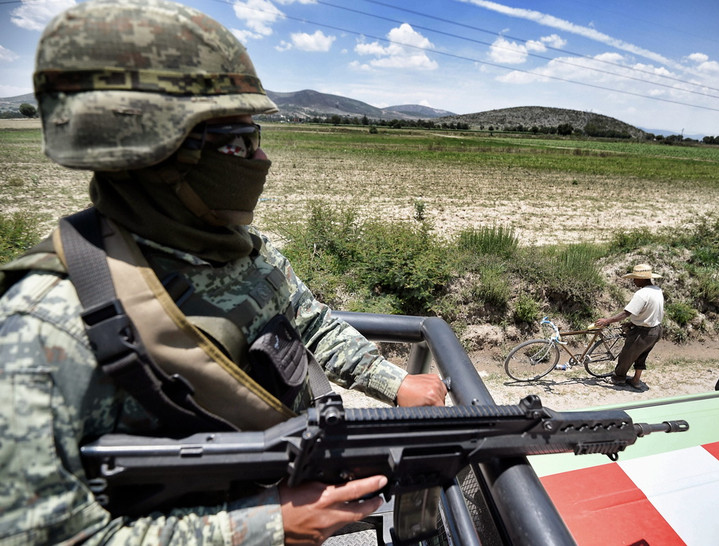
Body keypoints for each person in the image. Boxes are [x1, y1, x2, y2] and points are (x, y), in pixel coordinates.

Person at [0, 1, 446, 544]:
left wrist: (395, 383)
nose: (259, 161)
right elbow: (41, 535)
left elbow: (313, 324)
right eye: (237, 142)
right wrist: (263, 526)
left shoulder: (246, 255)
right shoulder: (45, 323)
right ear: (155, 156)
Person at [594, 263, 664, 389]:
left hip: (643, 332)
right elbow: (649, 311)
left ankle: (618, 378)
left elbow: (626, 312)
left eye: (635, 278)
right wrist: (633, 322)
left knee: (626, 355)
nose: (633, 281)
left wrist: (607, 320)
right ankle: (636, 380)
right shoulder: (657, 290)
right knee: (642, 354)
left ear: (642, 279)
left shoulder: (642, 294)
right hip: (657, 330)